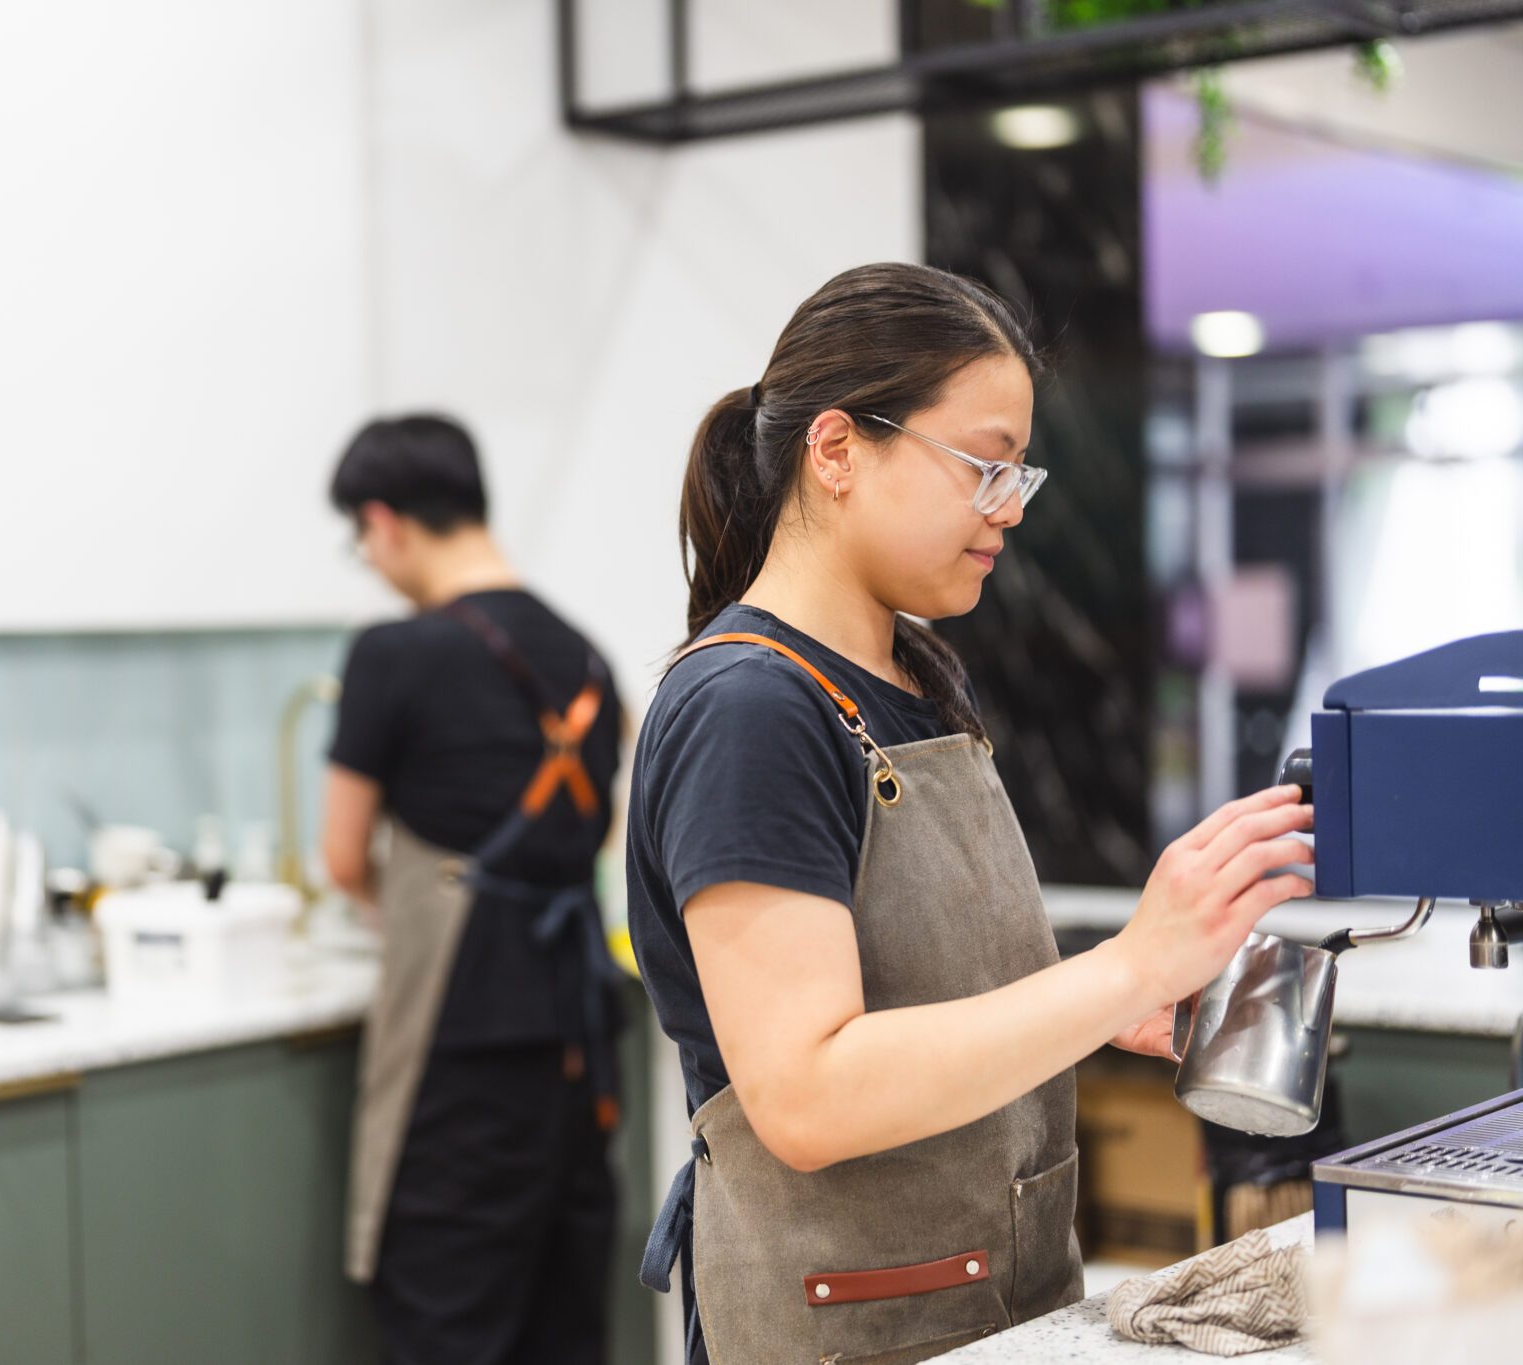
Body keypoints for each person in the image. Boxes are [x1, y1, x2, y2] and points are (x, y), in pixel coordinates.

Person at [625, 262, 1316, 1364]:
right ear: (838, 450)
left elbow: (918, 992)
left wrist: (1099, 1007)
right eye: (980, 468)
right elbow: (806, 1094)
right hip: (846, 1329)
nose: (1006, 510)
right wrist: (1123, 968)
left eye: (1019, 476)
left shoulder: (917, 677)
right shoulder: (747, 708)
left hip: (993, 1311)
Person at [321, 414, 627, 1364]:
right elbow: (596, 833)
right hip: (579, 1051)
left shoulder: (393, 655)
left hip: (458, 1063)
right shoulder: (587, 658)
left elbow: (341, 856)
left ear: (385, 521)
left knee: (447, 1332)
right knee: (561, 1332)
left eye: (360, 539)